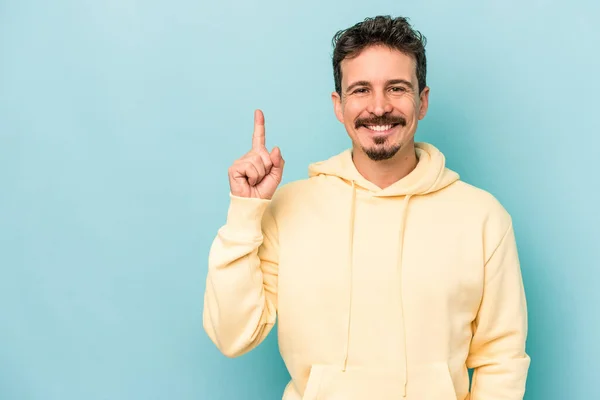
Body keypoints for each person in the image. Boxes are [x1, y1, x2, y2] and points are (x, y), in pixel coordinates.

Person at [202, 15, 530, 400]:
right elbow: (231, 334)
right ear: (338, 105)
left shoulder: (483, 218)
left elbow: (501, 359)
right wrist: (245, 213)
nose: (379, 107)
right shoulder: (289, 208)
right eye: (361, 90)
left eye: (396, 88)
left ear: (422, 101)